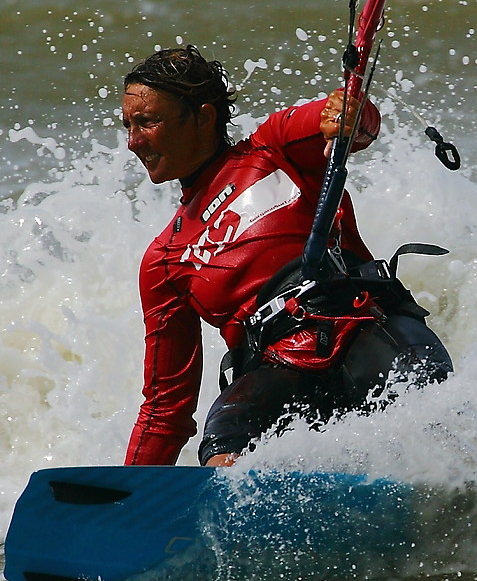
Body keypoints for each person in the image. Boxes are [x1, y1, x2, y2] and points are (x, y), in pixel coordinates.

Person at [118, 46, 452, 467]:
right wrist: (128, 496)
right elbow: (165, 410)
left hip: (370, 330)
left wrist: (347, 116)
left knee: (426, 400)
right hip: (279, 373)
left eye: (148, 122)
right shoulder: (164, 260)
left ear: (203, 117)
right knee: (224, 437)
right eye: (128, 126)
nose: (134, 141)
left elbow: (353, 119)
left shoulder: (273, 150)